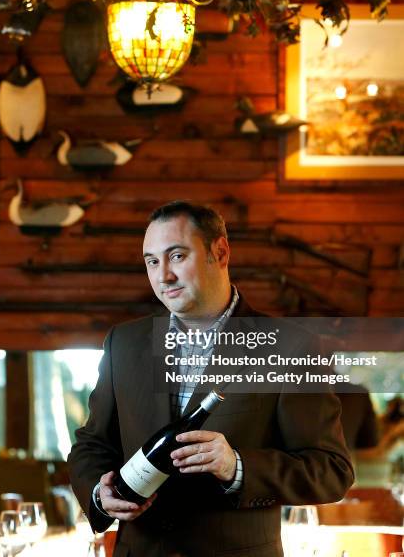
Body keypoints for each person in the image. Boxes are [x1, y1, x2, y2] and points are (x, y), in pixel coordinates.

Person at [68, 201, 354, 557]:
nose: (163, 276)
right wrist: (100, 492)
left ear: (219, 252)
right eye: (152, 261)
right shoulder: (123, 343)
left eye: (177, 256)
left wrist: (237, 466)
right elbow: (91, 445)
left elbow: (331, 471)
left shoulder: (291, 344)